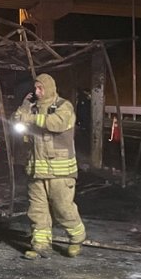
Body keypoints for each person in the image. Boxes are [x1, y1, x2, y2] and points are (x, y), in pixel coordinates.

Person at [12, 73, 87, 259]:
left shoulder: (63, 107)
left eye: (40, 88)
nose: (37, 92)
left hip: (59, 172)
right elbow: (16, 120)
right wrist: (23, 107)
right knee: (37, 211)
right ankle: (40, 245)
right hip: (36, 170)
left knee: (63, 208)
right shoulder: (32, 107)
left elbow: (57, 124)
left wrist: (30, 118)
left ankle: (76, 238)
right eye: (35, 88)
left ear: (50, 88)